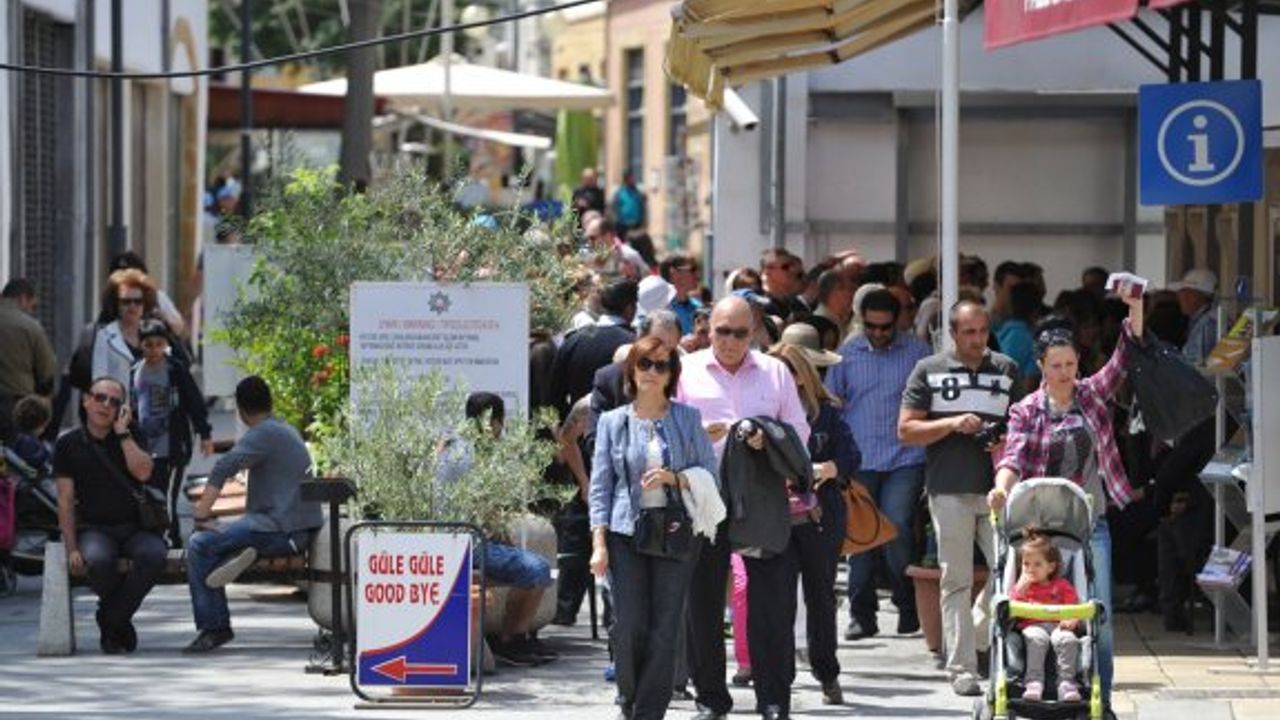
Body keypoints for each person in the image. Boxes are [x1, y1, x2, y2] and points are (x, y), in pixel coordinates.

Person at [989, 280, 1145, 715]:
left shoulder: (1092, 396)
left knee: (1101, 618)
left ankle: (1104, 702)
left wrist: (1135, 307)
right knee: (1029, 615)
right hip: (1039, 529)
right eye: (1056, 365)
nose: (1064, 372)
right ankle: (1035, 689)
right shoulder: (1025, 410)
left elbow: (1124, 356)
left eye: (1071, 363)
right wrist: (1001, 488)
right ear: (1041, 365)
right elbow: (1015, 455)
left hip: (1090, 522)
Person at [677, 295, 809, 720]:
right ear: (707, 329)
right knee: (702, 603)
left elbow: (799, 434)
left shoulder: (775, 372)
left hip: (763, 498)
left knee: (771, 603)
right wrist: (703, 434)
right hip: (704, 497)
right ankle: (711, 698)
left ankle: (773, 699)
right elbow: (669, 429)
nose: (730, 340)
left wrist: (766, 439)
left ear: (753, 333)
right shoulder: (687, 370)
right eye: (722, 331)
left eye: (739, 332)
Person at [589, 337, 720, 720]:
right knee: (628, 622)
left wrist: (672, 478)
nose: (652, 371)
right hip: (624, 533)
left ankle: (648, 711)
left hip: (676, 532)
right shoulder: (613, 422)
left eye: (661, 366)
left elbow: (708, 474)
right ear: (631, 369)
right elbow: (601, 487)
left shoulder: (687, 419)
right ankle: (629, 697)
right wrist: (599, 543)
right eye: (645, 363)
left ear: (671, 375)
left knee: (665, 626)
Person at [899, 300, 1021, 696]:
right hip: (948, 486)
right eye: (969, 332)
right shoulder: (929, 370)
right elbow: (906, 430)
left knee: (1010, 571)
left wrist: (1003, 438)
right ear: (953, 333)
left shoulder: (1005, 369)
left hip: (997, 488)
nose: (977, 339)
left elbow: (1021, 423)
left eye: (983, 330)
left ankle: (978, 638)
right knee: (956, 580)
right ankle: (962, 668)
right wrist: (953, 423)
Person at [184, 376, 324, 652]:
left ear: (241, 408)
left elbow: (223, 466)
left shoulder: (264, 434)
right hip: (292, 530)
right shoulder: (283, 429)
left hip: (280, 532)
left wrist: (200, 516)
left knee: (199, 545)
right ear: (269, 402)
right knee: (222, 537)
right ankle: (243, 551)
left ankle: (215, 628)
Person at [824, 289, 930, 642]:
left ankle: (907, 604)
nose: (880, 333)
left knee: (896, 527)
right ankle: (861, 614)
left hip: (905, 457)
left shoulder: (917, 353)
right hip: (862, 458)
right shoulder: (847, 355)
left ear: (898, 321)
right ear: (861, 320)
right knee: (860, 534)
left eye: (886, 327)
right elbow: (832, 406)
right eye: (872, 326)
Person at [768, 342, 859, 706]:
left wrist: (830, 468)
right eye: (776, 371)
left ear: (803, 375)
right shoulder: (764, 412)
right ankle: (781, 678)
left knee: (819, 596)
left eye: (789, 371)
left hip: (822, 515)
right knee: (778, 598)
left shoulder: (826, 414)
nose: (783, 378)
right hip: (776, 515)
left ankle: (827, 672)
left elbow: (852, 456)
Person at [438, 392, 558, 667]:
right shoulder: (474, 455)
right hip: (469, 544)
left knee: (529, 564)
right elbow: (483, 509)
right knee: (538, 568)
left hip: (455, 540)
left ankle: (514, 638)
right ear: (496, 422)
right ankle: (512, 640)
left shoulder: (454, 447)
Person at [53, 376, 163, 654]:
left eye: (114, 402)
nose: (106, 405)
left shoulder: (131, 435)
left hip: (135, 526)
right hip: (94, 529)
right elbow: (65, 501)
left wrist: (124, 434)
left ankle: (110, 618)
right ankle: (120, 623)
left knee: (154, 555)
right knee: (97, 561)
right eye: (100, 397)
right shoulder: (68, 444)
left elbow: (144, 472)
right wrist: (71, 548)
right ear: (86, 400)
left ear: (121, 409)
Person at [131, 319, 214, 545]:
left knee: (168, 495)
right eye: (149, 345)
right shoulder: (135, 372)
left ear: (166, 344)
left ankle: (170, 538)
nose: (154, 350)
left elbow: (194, 402)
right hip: (146, 448)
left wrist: (204, 433)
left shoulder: (175, 369)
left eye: (159, 344)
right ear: (141, 345)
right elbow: (132, 407)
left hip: (174, 446)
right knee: (152, 493)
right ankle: (158, 534)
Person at [549, 278, 638, 421]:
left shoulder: (573, 341)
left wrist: (567, 432)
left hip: (579, 436)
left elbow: (554, 396)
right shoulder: (636, 344)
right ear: (630, 308)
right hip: (621, 435)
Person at [1011, 529, 1083, 703]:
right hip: (1033, 625)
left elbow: (1074, 607)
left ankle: (1066, 683)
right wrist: (1020, 587)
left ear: (1051, 567)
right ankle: (1034, 682)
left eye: (1037, 564)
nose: (1030, 569)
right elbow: (1010, 607)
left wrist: (1072, 619)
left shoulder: (1062, 585)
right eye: (1026, 564)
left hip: (1059, 625)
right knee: (1036, 638)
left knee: (1068, 640)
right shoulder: (1023, 588)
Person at [0, 278, 57, 443]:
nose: (32, 311)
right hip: (18, 408)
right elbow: (47, 371)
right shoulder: (31, 327)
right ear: (22, 298)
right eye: (32, 306)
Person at [1169, 268, 1218, 366]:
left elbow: (1196, 364)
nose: (1182, 298)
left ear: (1203, 296)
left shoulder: (1207, 323)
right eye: (1181, 293)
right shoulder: (1199, 320)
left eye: (1188, 293)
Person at [658, 254, 703, 335]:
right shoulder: (660, 310)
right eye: (693, 269)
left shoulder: (699, 307)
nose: (698, 275)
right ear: (674, 273)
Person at [9, 395, 53, 473]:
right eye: (44, 425)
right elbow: (35, 463)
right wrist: (47, 452)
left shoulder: (16, 438)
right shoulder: (30, 443)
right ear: (40, 424)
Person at [611, 169, 648, 234]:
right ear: (625, 179)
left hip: (636, 224)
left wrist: (644, 222)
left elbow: (643, 207)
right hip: (622, 224)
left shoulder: (638, 192)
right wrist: (616, 221)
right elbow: (614, 208)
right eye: (629, 178)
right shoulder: (619, 192)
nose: (631, 180)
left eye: (632, 178)